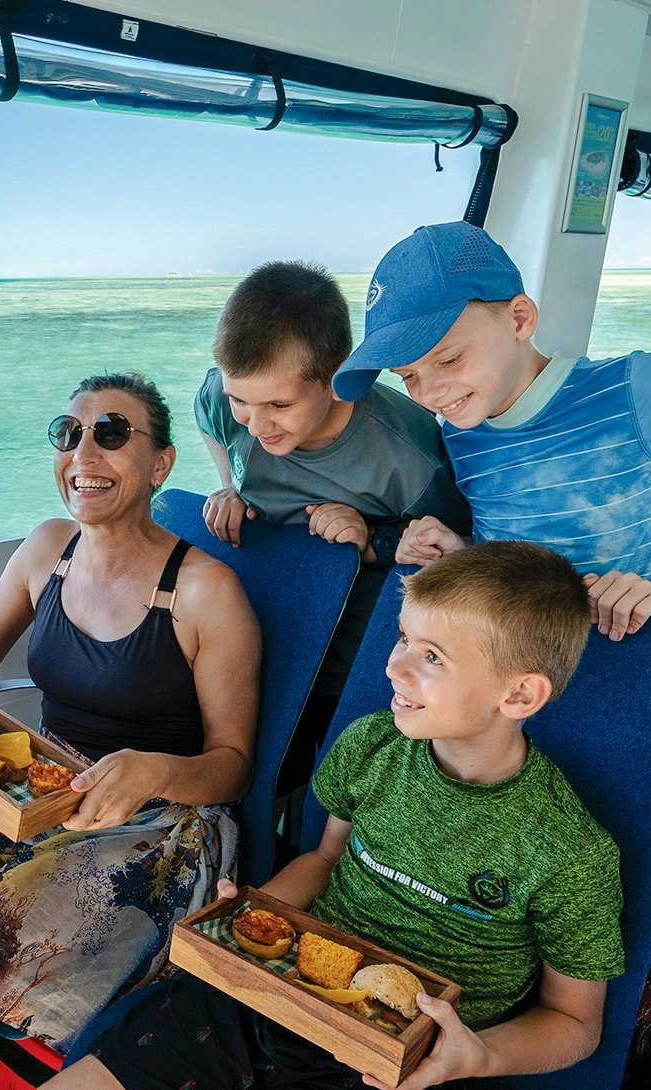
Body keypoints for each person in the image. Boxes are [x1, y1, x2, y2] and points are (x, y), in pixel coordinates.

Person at [48, 540, 625, 1090]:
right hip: (271, 994)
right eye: (403, 639)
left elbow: (574, 1025)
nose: (395, 667)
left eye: (432, 657)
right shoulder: (371, 747)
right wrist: (249, 913)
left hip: (394, 1061)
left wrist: (482, 1055)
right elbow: (326, 858)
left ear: (520, 696)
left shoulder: (570, 851)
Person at [0, 373, 263, 1090]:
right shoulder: (47, 552)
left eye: (112, 433)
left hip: (159, 825)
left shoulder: (204, 592)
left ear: (160, 464)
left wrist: (151, 769)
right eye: (69, 433)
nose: (83, 451)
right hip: (36, 795)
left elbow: (234, 764)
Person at [330, 222, 651, 642]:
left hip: (623, 644)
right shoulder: (460, 431)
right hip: (514, 640)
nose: (428, 393)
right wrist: (462, 552)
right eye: (407, 375)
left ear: (520, 318)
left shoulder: (640, 389)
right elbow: (523, 548)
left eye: (449, 359)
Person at [197, 260, 469, 782]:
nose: (256, 426)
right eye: (242, 403)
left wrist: (371, 538)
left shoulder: (409, 454)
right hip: (250, 624)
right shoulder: (220, 399)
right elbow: (209, 415)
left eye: (279, 404)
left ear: (339, 378)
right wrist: (229, 485)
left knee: (316, 782)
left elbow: (446, 561)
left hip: (345, 656)